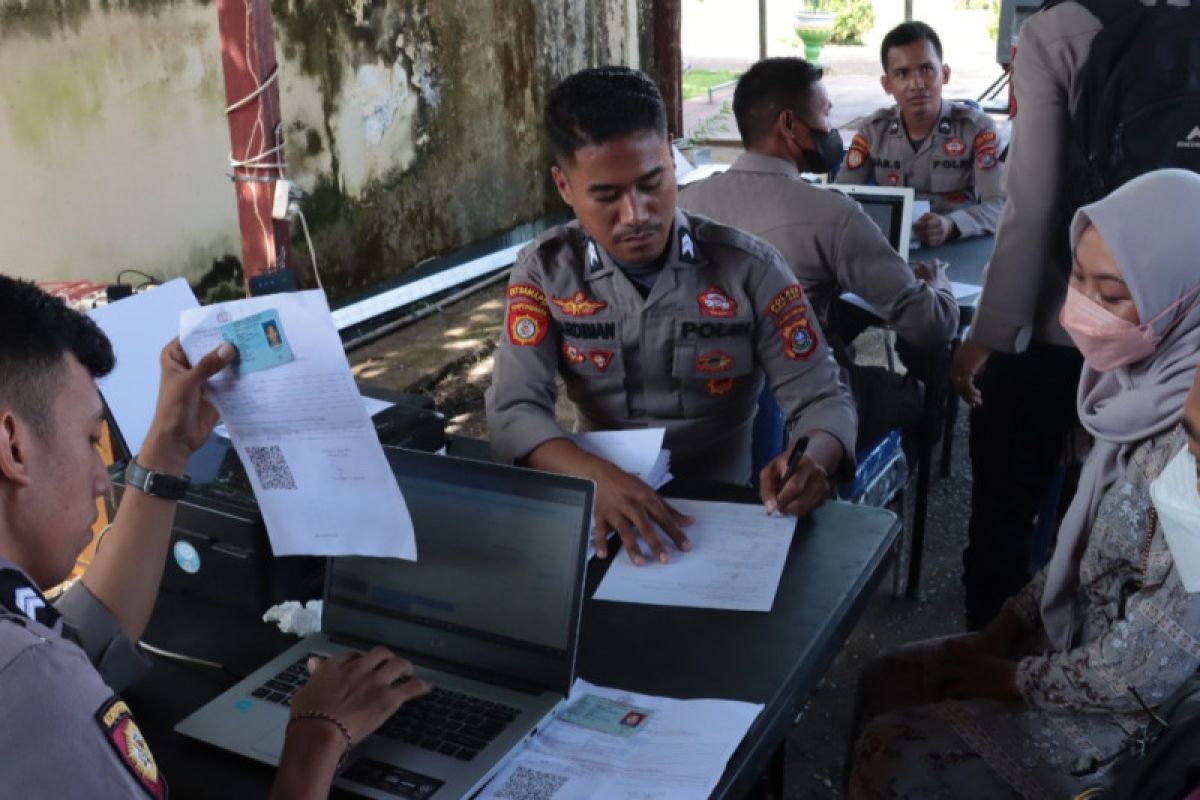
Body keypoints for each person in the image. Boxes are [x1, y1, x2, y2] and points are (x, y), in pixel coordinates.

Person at [0, 276, 430, 799]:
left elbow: (83, 638)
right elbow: (47, 672)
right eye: (92, 438)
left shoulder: (26, 647)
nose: (99, 476)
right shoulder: (32, 683)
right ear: (14, 447)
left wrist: (169, 445)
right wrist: (315, 740)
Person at [847, 169, 1200, 798]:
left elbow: (1145, 676)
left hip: (1130, 729)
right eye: (1078, 279)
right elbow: (1085, 546)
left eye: (1112, 295)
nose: (1084, 310)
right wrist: (1002, 631)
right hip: (1071, 644)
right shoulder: (1125, 392)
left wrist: (1004, 677)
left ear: (1184, 297)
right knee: (884, 679)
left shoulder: (1191, 442)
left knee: (892, 749)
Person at [484, 66, 857, 566]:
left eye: (651, 182)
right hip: (597, 510)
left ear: (670, 156)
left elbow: (823, 397)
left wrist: (814, 458)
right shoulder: (547, 271)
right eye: (607, 196)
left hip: (723, 514)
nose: (636, 214)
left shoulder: (748, 268)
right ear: (565, 186)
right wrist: (595, 477)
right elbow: (512, 412)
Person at [679, 56, 959, 445]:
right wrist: (940, 286)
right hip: (809, 401)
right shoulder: (834, 215)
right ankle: (880, 492)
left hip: (709, 394)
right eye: (826, 116)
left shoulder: (685, 203)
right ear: (790, 125)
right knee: (913, 394)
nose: (831, 131)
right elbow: (931, 324)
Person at [949, 0, 1110, 630]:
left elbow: (1033, 202)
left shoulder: (1057, 30)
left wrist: (985, 335)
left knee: (1005, 512)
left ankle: (984, 675)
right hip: (1177, 337)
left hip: (1053, 325)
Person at [835, 21, 1006, 248]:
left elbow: (1000, 204)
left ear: (944, 74)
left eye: (926, 69)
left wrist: (952, 225)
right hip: (890, 248)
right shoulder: (874, 132)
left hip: (961, 243)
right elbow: (839, 199)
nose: (916, 84)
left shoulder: (976, 129)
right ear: (887, 84)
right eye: (902, 74)